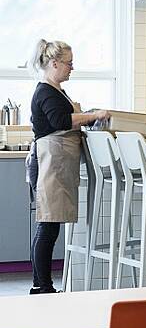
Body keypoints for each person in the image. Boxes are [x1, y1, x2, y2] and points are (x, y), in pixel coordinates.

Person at [26, 39, 109, 294]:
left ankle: (41, 285)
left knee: (49, 225)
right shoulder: (46, 92)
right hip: (48, 163)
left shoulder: (55, 90)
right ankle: (44, 287)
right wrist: (94, 115)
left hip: (55, 162)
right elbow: (61, 120)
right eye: (69, 63)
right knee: (48, 225)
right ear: (54, 63)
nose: (72, 68)